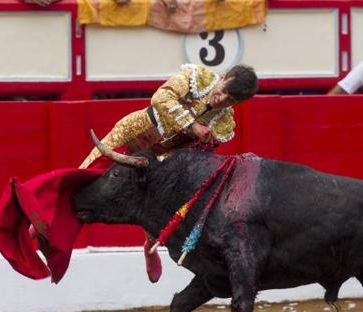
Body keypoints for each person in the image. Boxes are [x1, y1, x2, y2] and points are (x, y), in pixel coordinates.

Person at [79, 63, 258, 282]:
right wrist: (194, 126)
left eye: (230, 100)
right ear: (222, 77)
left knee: (151, 207)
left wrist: (205, 143)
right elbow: (160, 98)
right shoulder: (197, 77)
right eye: (223, 91)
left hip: (160, 159)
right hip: (138, 130)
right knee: (87, 169)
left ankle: (150, 246)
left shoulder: (224, 124)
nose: (222, 100)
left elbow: (199, 155)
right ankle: (51, 211)